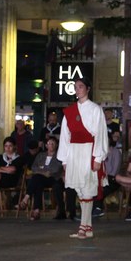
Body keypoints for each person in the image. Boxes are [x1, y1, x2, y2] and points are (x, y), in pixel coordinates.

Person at [59, 77, 109, 238]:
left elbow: (101, 134)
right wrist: (65, 160)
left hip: (89, 151)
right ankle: (87, 227)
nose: (77, 89)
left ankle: (83, 226)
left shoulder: (95, 109)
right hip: (74, 152)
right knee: (80, 190)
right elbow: (64, 136)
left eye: (81, 86)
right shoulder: (69, 111)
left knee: (87, 188)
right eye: (75, 87)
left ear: (88, 89)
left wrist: (98, 158)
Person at [20, 136, 65, 221]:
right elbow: (34, 167)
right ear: (46, 145)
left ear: (56, 145)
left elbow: (55, 169)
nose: (50, 145)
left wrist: (41, 170)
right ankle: (36, 210)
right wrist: (43, 172)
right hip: (42, 177)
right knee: (37, 181)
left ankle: (27, 199)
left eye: (52, 143)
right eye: (48, 143)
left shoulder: (59, 156)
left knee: (36, 179)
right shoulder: (41, 155)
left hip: (54, 178)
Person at [92, 130, 122, 218]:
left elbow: (115, 170)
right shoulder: (98, 154)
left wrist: (105, 177)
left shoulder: (116, 152)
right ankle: (94, 209)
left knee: (102, 188)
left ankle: (97, 208)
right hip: (100, 178)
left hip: (112, 179)